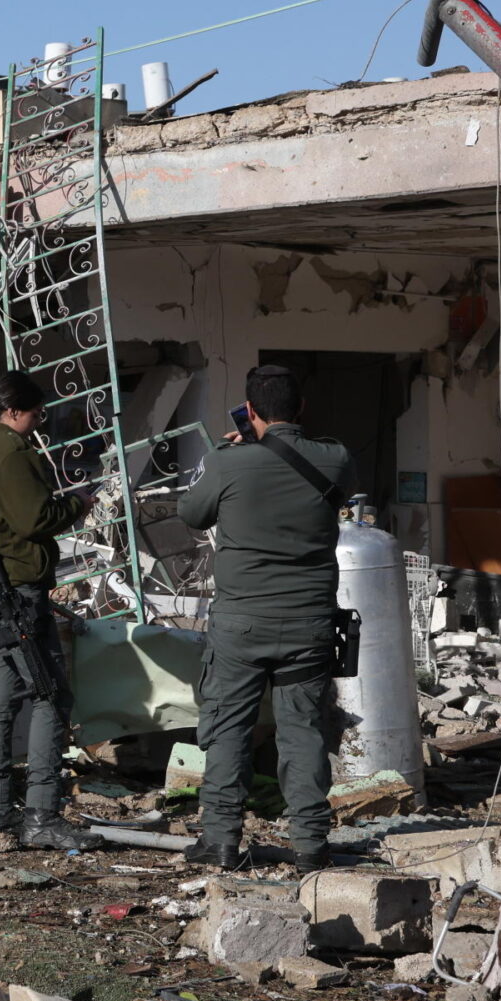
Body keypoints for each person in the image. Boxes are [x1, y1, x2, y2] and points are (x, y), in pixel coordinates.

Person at [175, 361, 357, 870]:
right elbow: (335, 488)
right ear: (301, 408)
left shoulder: (228, 462)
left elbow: (191, 513)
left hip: (241, 625)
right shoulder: (336, 459)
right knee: (303, 733)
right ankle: (310, 846)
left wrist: (230, 453)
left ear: (249, 410)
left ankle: (220, 841)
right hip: (308, 625)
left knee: (228, 728)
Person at [0, 371, 90, 850]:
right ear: (13, 411)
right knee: (51, 696)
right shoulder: (9, 450)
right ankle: (42, 814)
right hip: (16, 592)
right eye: (36, 414)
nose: (38, 423)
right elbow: (35, 519)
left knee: (1, 698)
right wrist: (76, 505)